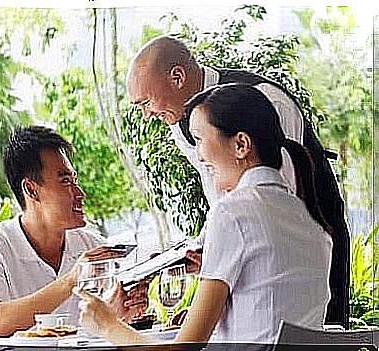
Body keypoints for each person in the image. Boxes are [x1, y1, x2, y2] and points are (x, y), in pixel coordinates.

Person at [75, 84, 333, 346]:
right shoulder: (311, 223)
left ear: (241, 144)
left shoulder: (233, 211)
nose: (198, 155)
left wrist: (106, 323)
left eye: (198, 139)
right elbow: (270, 300)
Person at [126, 35, 349, 327]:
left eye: (146, 102)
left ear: (177, 77)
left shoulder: (266, 100)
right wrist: (209, 258)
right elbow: (221, 195)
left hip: (306, 260)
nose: (146, 114)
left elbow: (274, 209)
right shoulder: (182, 120)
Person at [0, 126, 134, 337]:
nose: (80, 194)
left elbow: (99, 328)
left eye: (75, 180)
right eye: (65, 181)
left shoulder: (94, 247)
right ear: (31, 190)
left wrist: (122, 314)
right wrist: (71, 280)